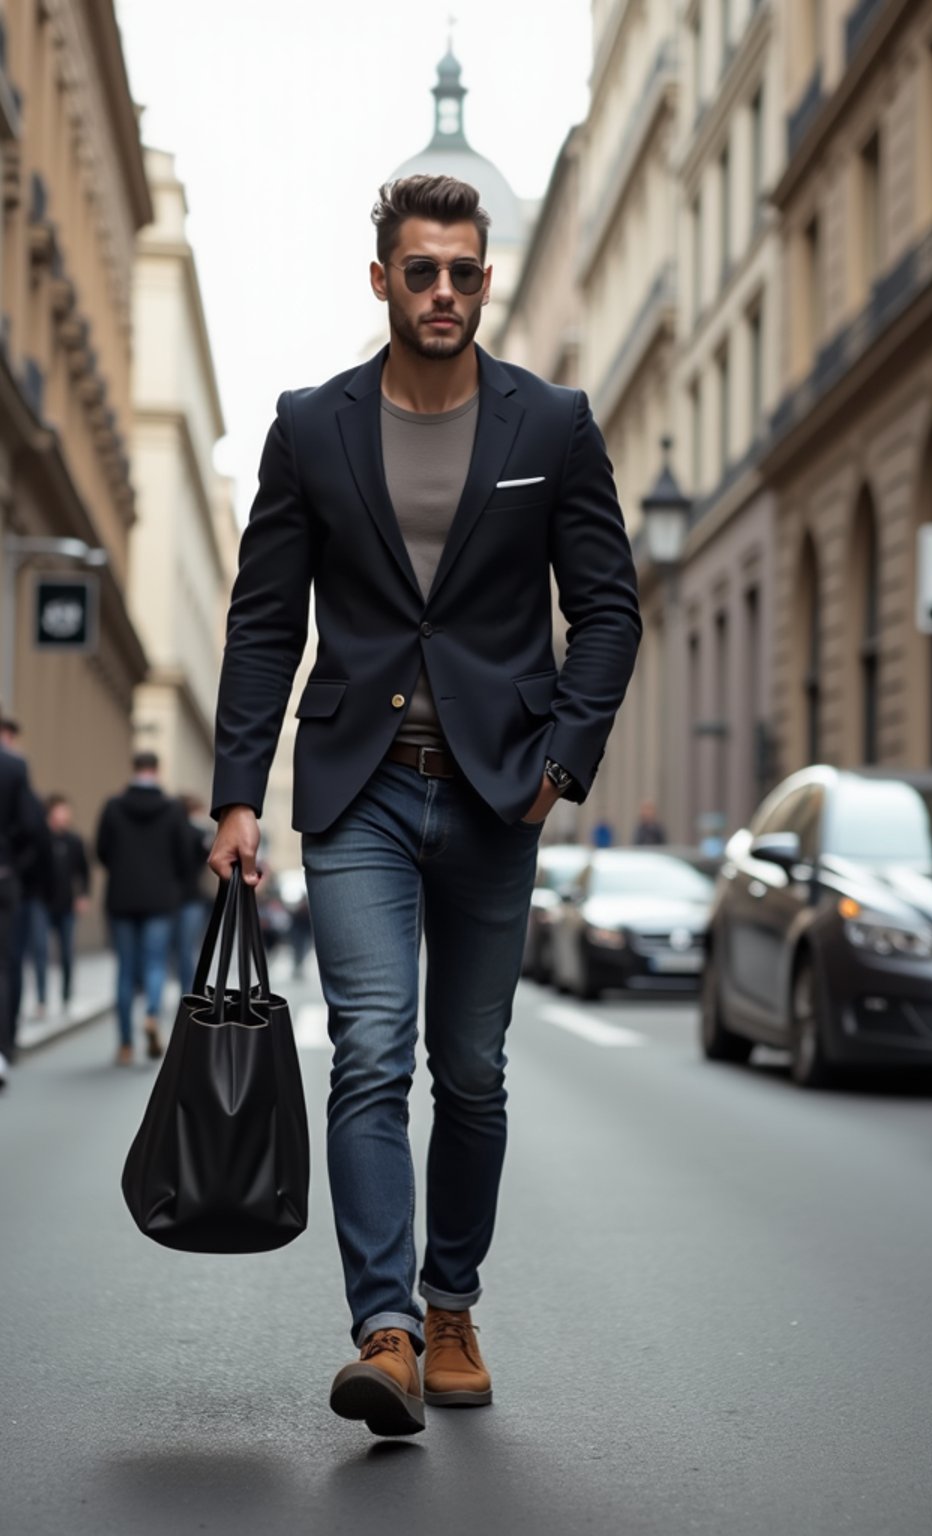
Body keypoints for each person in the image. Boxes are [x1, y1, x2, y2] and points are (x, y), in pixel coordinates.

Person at [209, 174, 641, 1438]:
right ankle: (387, 1330)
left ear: (485, 280)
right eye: (419, 270)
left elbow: (607, 608)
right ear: (382, 279)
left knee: (474, 1071)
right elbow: (261, 623)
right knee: (371, 1053)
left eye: (461, 271)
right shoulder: (312, 425)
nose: (440, 290)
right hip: (360, 794)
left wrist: (563, 762)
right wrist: (239, 793)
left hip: (502, 795)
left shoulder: (551, 424)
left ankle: (453, 1301)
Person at [96, 751, 191, 1066]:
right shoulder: (173, 809)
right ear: (157, 770)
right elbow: (184, 856)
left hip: (122, 897)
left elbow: (102, 851)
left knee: (125, 970)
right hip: (159, 899)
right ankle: (151, 1014)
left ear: (133, 769)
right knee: (155, 965)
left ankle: (124, 1045)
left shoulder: (113, 806)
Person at [0, 720, 47, 1086]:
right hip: (3, 879)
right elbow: (32, 828)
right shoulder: (14, 766)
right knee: (6, 964)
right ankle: (4, 1046)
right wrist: (13, 869)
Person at [44, 795, 91, 1009]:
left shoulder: (74, 840)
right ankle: (41, 999)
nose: (65, 816)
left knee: (66, 952)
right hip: (43, 904)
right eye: (61, 811)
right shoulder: (42, 839)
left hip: (66, 904)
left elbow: (84, 871)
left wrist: (83, 896)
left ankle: (66, 994)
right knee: (39, 951)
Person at [173, 794, 213, 993]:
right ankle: (188, 991)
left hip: (173, 900)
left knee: (181, 949)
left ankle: (186, 989)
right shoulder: (198, 835)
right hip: (191, 898)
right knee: (187, 948)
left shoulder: (173, 834)